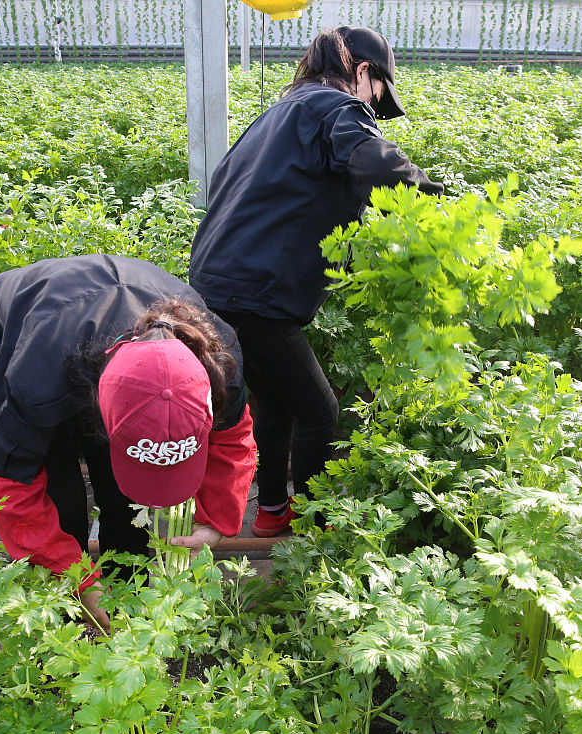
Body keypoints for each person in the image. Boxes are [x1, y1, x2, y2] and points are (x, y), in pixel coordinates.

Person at [189, 26, 444, 537]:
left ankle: (272, 511)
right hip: (257, 292)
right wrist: (440, 205)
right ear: (364, 73)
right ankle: (315, 528)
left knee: (278, 404)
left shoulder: (281, 112)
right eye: (378, 93)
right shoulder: (337, 108)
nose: (376, 104)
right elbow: (377, 164)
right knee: (319, 411)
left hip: (213, 286)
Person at [0, 254, 256, 631]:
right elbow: (9, 489)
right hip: (11, 331)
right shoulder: (35, 387)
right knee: (58, 490)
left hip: (109, 322)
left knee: (122, 496)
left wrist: (215, 523)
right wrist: (75, 579)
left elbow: (233, 442)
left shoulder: (217, 361)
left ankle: (125, 597)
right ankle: (72, 607)